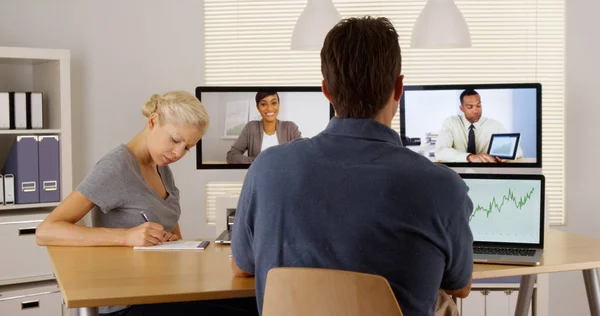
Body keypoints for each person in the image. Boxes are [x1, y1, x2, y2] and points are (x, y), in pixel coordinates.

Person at [231, 16, 473, 316]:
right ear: (399, 88)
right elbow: (460, 286)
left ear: (327, 92)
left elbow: (243, 266)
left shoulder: (266, 169)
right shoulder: (442, 186)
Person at [36, 91, 257, 316]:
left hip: (161, 291)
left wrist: (169, 240)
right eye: (175, 140)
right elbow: (46, 230)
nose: (179, 152)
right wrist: (125, 236)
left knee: (258, 302)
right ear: (152, 122)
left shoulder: (162, 167)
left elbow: (174, 236)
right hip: (127, 303)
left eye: (187, 147)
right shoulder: (116, 167)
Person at [435, 88, 523, 163]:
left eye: (478, 106)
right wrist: (470, 157)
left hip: (487, 175)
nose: (475, 111)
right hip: (458, 175)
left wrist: (505, 156)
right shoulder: (451, 122)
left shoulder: (495, 125)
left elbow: (518, 151)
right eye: (470, 107)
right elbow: (440, 151)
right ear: (461, 108)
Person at [226, 92, 302, 164]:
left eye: (273, 103)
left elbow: (303, 155)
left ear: (279, 104)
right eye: (263, 104)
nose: (269, 108)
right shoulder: (251, 128)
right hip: (259, 177)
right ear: (257, 107)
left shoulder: (291, 128)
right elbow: (231, 155)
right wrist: (258, 162)